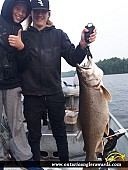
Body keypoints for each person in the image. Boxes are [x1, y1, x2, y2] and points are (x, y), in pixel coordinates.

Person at [8, 0, 97, 162]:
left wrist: (82, 45)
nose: (40, 14)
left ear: (49, 13)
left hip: (55, 94)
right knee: (34, 136)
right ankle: (36, 165)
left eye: (43, 11)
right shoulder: (24, 35)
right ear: (31, 14)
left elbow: (73, 58)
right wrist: (19, 47)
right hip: (31, 95)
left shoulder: (59, 35)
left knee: (60, 133)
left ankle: (65, 163)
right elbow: (19, 65)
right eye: (36, 11)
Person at [0, 0, 44, 169]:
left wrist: (21, 48)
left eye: (24, 11)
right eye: (17, 8)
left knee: (17, 123)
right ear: (10, 6)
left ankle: (25, 158)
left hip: (12, 85)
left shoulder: (21, 31)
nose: (20, 13)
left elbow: (25, 64)